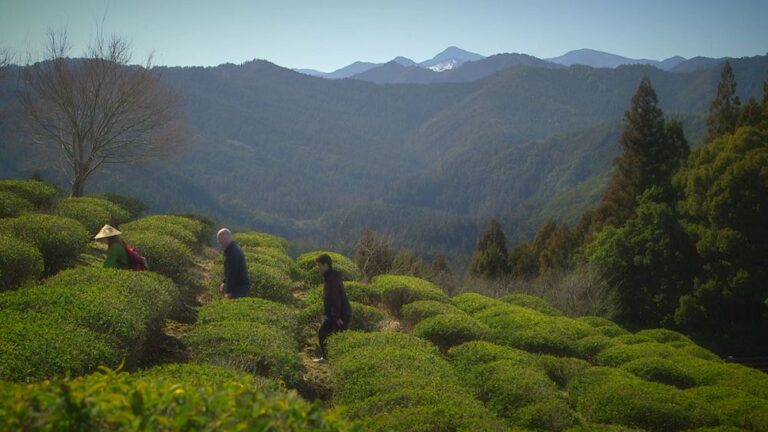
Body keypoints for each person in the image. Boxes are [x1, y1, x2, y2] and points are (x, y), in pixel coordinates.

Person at [313, 254, 352, 363]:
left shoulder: (332, 279)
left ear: (326, 265)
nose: (318, 268)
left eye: (319, 265)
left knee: (322, 333)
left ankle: (328, 358)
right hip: (337, 314)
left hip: (339, 315)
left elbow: (335, 299)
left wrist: (336, 317)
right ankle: (331, 359)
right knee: (332, 336)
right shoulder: (331, 277)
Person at [217, 228, 250, 299]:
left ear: (225, 238)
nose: (218, 242)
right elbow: (228, 271)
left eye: (219, 239)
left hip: (239, 288)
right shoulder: (231, 249)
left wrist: (229, 292)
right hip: (239, 287)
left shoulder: (233, 253)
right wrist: (224, 282)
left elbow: (232, 273)